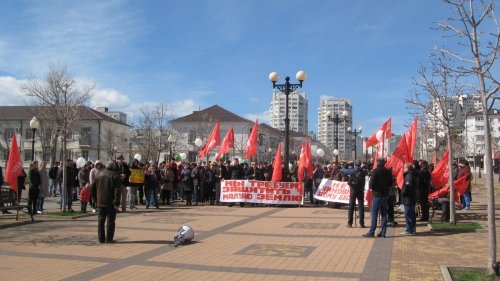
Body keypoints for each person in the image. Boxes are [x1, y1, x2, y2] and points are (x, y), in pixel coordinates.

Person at [362, 158, 392, 238]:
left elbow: (371, 185)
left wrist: (376, 189)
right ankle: (383, 232)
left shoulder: (375, 171)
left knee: (374, 213)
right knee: (384, 214)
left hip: (377, 195)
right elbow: (390, 183)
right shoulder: (388, 171)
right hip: (385, 195)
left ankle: (372, 232)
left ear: (377, 163)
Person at [95, 161, 121, 243]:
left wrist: (95, 199)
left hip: (100, 201)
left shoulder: (99, 174)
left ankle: (101, 238)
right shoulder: (114, 175)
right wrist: (116, 203)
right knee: (110, 221)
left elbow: (92, 187)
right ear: (113, 166)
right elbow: (117, 190)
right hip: (110, 202)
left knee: (101, 221)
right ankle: (109, 238)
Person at [342, 161, 366, 228]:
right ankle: (362, 223)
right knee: (361, 207)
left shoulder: (352, 171)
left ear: (355, 165)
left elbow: (343, 169)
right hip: (361, 190)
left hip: (353, 190)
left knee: (351, 206)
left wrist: (347, 163)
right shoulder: (363, 172)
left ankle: (350, 223)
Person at [401, 163, 418, 235]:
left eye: (404, 167)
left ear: (408, 168)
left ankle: (409, 230)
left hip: (408, 198)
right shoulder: (412, 175)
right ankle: (412, 229)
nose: (403, 168)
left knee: (408, 214)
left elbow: (408, 187)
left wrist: (403, 193)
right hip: (412, 197)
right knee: (411, 214)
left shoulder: (409, 176)